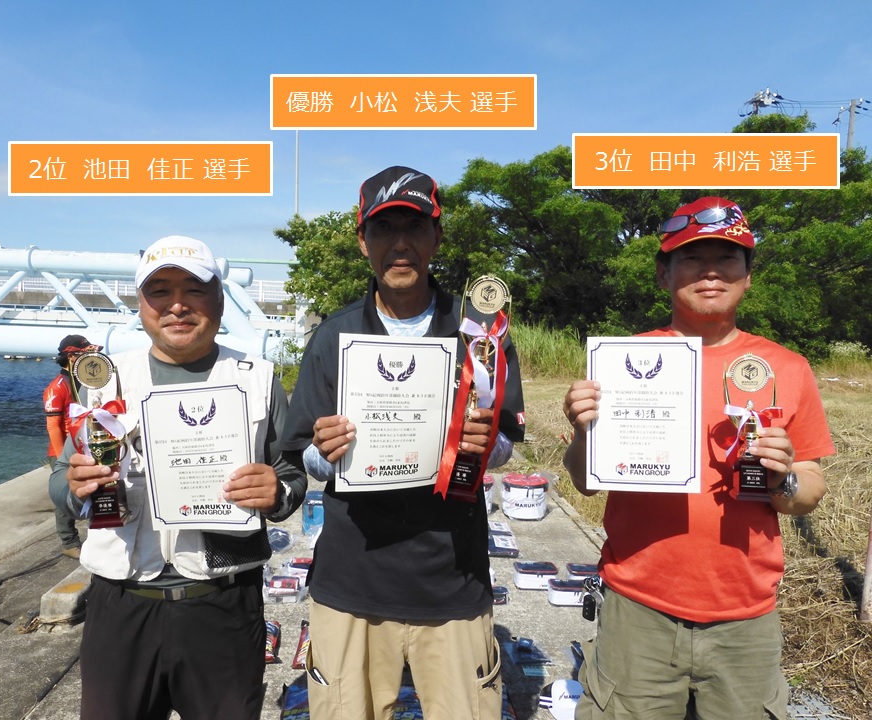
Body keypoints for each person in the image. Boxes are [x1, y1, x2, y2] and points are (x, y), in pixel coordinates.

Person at [561, 197, 836, 719]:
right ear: (663, 274)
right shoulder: (622, 362)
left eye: (727, 258)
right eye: (691, 258)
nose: (710, 271)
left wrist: (783, 480)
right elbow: (586, 483)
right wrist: (582, 434)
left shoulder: (787, 367)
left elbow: (810, 487)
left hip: (745, 617)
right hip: (637, 608)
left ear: (748, 276)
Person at [280, 166, 526, 720]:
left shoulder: (480, 332)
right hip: (352, 582)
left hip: (453, 579)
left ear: (436, 236)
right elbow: (304, 455)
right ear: (362, 240)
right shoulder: (334, 334)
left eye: (414, 227)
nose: (399, 243)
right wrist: (329, 450)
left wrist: (484, 444)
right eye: (384, 228)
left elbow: (508, 439)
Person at [49, 235, 306, 720]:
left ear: (220, 299)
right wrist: (77, 488)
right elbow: (61, 480)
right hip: (121, 602)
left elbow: (291, 476)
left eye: (194, 289)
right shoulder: (107, 380)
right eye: (160, 291)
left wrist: (276, 493)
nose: (177, 305)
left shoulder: (258, 378)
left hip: (224, 601)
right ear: (140, 303)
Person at [43, 334, 101, 558]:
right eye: (85, 354)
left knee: (94, 490)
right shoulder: (57, 387)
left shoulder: (87, 382)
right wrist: (61, 460)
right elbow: (53, 426)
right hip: (64, 451)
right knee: (65, 494)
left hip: (87, 446)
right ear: (72, 357)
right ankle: (68, 542)